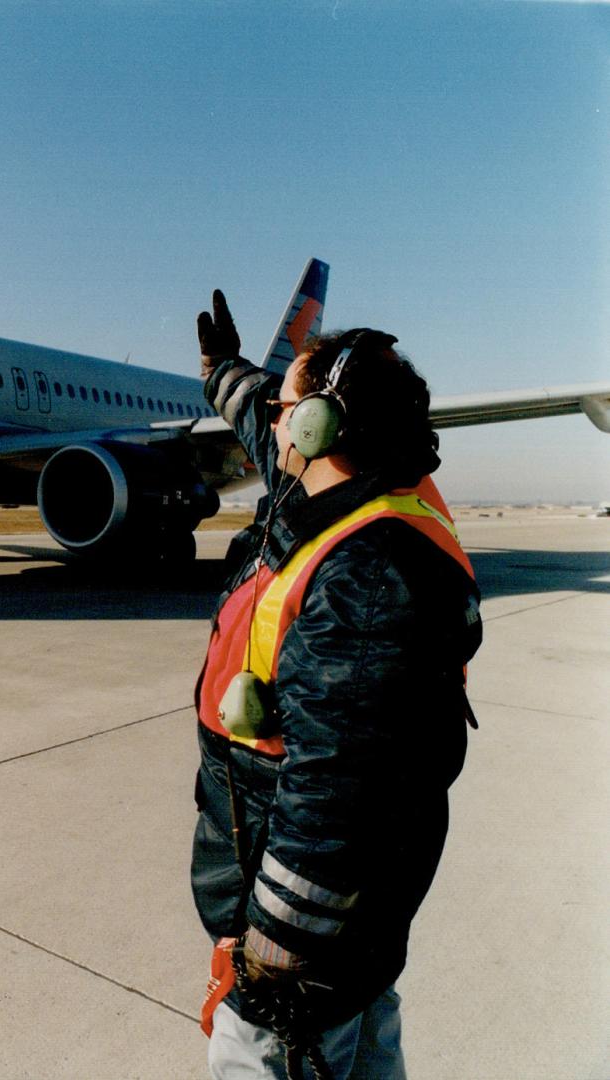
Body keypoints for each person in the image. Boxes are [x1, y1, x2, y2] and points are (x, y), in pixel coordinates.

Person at [189, 290, 483, 1079]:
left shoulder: (366, 574)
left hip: (304, 941)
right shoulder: (365, 485)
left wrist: (276, 950)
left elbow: (339, 791)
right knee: (365, 1034)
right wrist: (225, 372)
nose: (273, 424)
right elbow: (262, 415)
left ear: (322, 426)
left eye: (290, 409)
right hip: (352, 927)